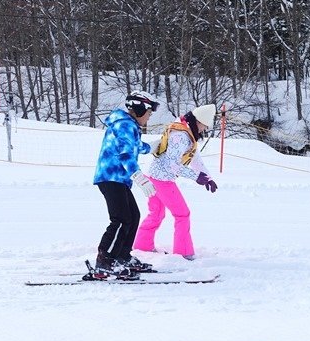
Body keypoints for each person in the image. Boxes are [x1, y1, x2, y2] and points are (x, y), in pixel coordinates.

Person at [132, 104, 218, 260]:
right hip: (162, 179)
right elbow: (172, 165)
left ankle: (142, 246)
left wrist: (208, 177)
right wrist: (196, 177)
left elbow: (195, 159)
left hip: (153, 175)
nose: (203, 130)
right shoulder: (180, 135)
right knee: (182, 214)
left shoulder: (186, 130)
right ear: (198, 121)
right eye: (204, 126)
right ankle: (183, 252)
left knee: (156, 213)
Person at [91, 90, 161, 279]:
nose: (149, 117)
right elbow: (125, 155)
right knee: (121, 219)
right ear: (139, 109)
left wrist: (151, 147)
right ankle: (105, 261)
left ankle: (122, 256)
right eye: (149, 112)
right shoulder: (124, 125)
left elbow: (133, 146)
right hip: (111, 176)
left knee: (133, 216)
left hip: (118, 179)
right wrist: (139, 176)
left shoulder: (128, 125)